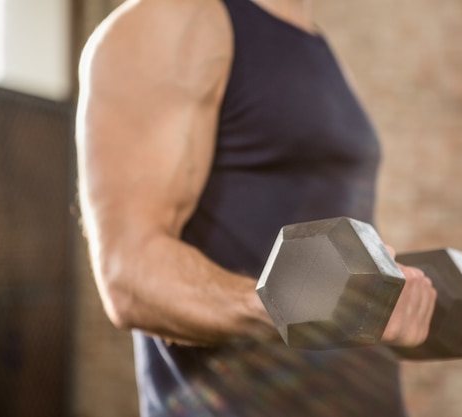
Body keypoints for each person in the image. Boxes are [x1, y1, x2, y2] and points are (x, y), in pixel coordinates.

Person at [75, 0, 437, 415]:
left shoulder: (314, 42)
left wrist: (398, 300)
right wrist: (284, 305)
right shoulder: (172, 18)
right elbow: (130, 273)